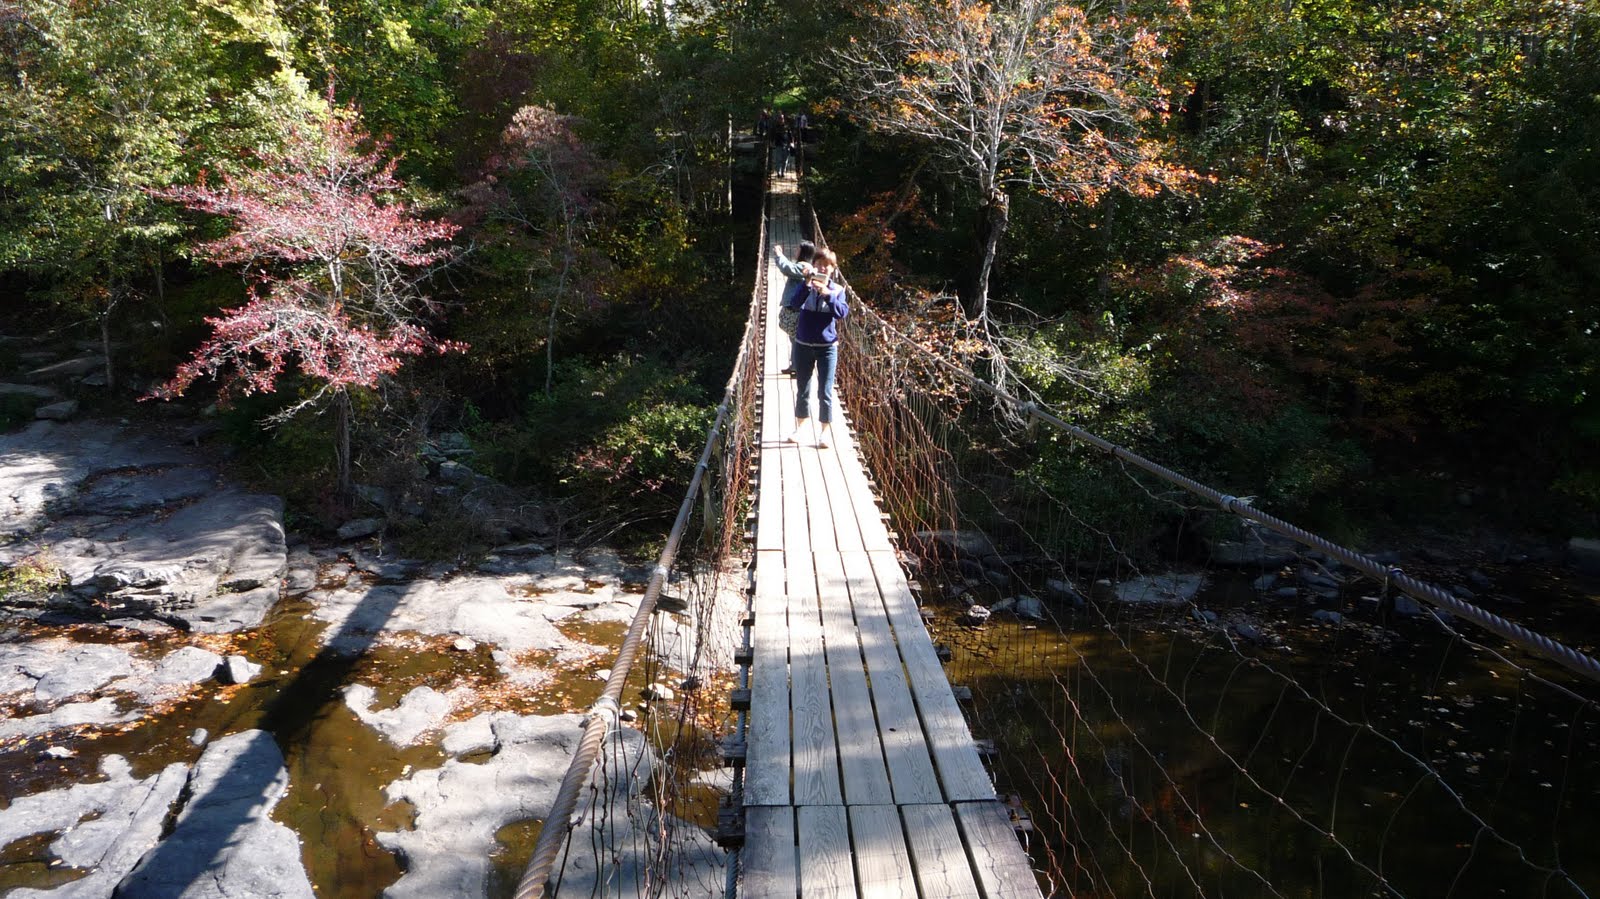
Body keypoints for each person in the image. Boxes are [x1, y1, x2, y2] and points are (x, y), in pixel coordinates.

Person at [788, 248, 849, 449]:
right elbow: (794, 304)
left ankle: (824, 433)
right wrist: (806, 284)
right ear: (813, 265)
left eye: (826, 265)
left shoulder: (838, 290)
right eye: (819, 264)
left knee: (825, 391)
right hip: (803, 344)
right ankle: (800, 429)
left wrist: (827, 294)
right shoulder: (805, 286)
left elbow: (842, 313)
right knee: (803, 389)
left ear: (833, 269)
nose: (822, 268)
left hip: (827, 347)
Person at [772, 241, 817, 375]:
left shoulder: (805, 267)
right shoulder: (803, 266)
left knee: (797, 338)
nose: (795, 251)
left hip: (797, 308)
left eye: (798, 249)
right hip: (796, 307)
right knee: (795, 338)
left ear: (803, 252)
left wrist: (779, 254)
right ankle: (795, 365)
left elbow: (787, 269)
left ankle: (799, 367)